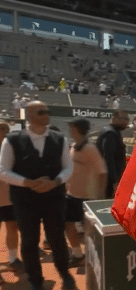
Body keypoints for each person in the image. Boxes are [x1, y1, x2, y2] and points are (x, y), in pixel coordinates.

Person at [0, 101, 76, 290]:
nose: (46, 114)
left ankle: (65, 275)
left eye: (47, 111)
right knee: (29, 240)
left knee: (57, 238)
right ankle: (36, 280)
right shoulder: (11, 140)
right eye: (41, 112)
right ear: (29, 115)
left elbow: (68, 167)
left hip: (54, 197)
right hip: (24, 199)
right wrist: (28, 183)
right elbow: (3, 171)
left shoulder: (60, 139)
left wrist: (55, 182)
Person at [65, 118, 107, 268]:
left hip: (88, 198)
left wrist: (99, 196)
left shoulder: (90, 148)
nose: (70, 130)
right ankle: (78, 255)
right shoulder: (74, 147)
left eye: (71, 128)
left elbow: (102, 172)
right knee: (68, 224)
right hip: (72, 194)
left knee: (91, 233)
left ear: (76, 129)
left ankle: (95, 259)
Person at [0, 120, 24, 282]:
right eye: (1, 129)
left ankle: (13, 258)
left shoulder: (11, 149)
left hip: (9, 198)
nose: (4, 132)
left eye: (5, 129)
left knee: (12, 226)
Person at [96, 109, 128, 198]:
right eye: (124, 119)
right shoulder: (110, 133)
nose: (126, 122)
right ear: (114, 119)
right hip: (108, 182)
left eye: (127, 119)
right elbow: (108, 159)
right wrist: (114, 181)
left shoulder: (113, 132)